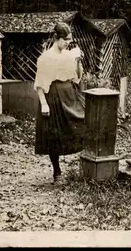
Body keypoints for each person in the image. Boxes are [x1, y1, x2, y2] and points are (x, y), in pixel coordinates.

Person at [34, 22, 86, 184]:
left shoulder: (69, 55)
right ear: (56, 37)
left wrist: (78, 60)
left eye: (70, 40)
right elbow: (40, 84)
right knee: (54, 134)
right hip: (53, 95)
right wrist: (43, 103)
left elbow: (77, 77)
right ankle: (57, 172)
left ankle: (86, 166)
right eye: (65, 39)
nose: (68, 43)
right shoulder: (46, 58)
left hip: (70, 93)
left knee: (84, 122)